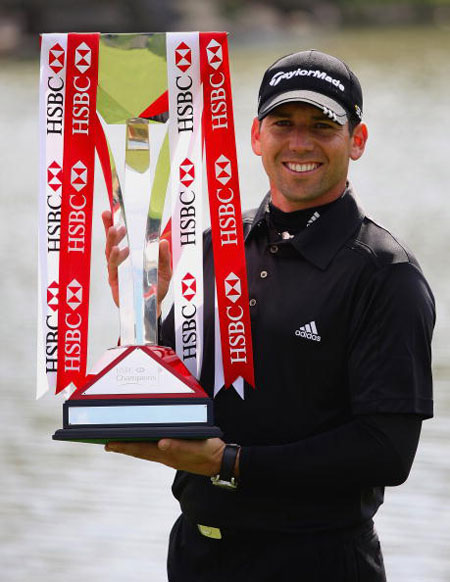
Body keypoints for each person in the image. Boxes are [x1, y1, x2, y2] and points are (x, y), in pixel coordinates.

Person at [101, 50, 435, 582]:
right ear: (256, 135)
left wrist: (228, 463)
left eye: (323, 126)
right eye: (284, 123)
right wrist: (143, 304)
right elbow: (178, 390)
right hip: (197, 553)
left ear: (358, 140)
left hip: (317, 560)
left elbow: (386, 452)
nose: (300, 142)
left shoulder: (385, 274)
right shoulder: (212, 248)